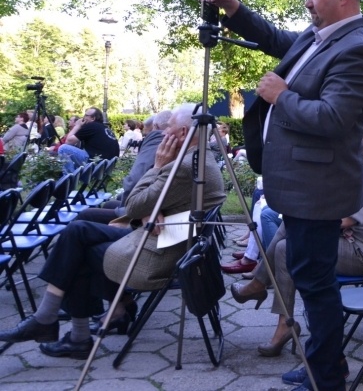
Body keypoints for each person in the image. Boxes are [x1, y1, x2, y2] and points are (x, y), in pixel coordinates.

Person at [199, 0, 363, 391]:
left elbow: (334, 118)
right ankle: (324, 362)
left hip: (318, 191)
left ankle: (327, 377)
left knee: (316, 284)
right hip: (302, 187)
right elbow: (276, 40)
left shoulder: (357, 49)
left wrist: (282, 97)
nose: (308, 1)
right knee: (310, 278)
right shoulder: (321, 37)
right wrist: (235, 9)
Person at [0, 103, 226, 357]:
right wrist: (152, 205)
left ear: (183, 133)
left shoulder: (182, 166)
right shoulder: (198, 158)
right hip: (169, 241)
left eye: (169, 127)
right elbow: (146, 203)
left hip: (157, 254)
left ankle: (64, 329)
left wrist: (158, 166)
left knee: (78, 243)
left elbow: (133, 202)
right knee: (79, 232)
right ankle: (67, 326)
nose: (164, 133)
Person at [229, 114, 363, 360]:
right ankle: (272, 304)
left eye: (358, 136)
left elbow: (347, 220)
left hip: (362, 253)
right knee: (294, 228)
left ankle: (263, 288)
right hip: (353, 244)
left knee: (291, 240)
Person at [76, 111, 172, 225]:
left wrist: (135, 205)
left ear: (155, 127)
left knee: (82, 219)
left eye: (146, 134)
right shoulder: (173, 145)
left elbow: (136, 180)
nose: (145, 136)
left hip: (142, 211)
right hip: (150, 206)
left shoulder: (157, 142)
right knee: (109, 204)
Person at [58, 107, 118, 172]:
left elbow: (68, 142)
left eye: (86, 115)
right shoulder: (104, 128)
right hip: (107, 166)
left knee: (63, 148)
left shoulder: (91, 126)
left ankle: (68, 179)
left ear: (93, 118)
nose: (83, 118)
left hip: (95, 165)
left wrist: (77, 126)